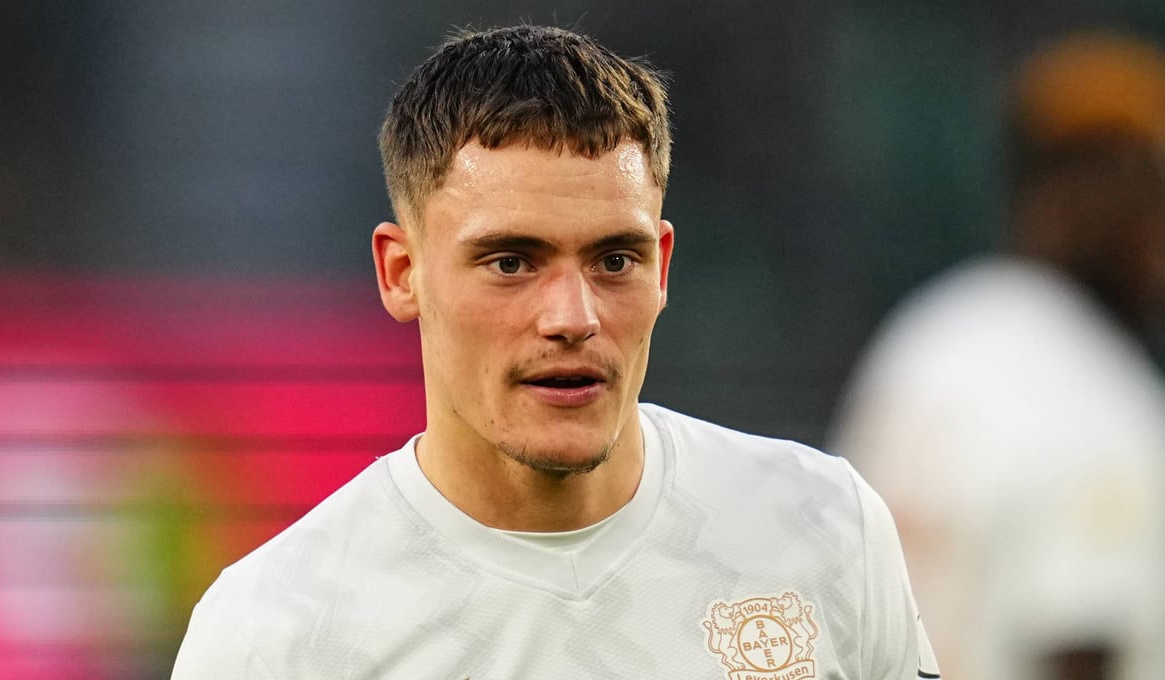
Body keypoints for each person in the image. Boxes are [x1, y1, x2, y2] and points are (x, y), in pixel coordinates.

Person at [172, 24, 938, 678]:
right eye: (511, 262)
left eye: (615, 260)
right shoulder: (273, 632)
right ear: (402, 273)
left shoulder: (823, 524)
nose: (573, 318)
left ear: (662, 269)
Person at [828, 31, 1165, 680]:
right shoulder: (1096, 396)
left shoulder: (929, 339)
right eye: (1148, 189)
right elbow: (1081, 653)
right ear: (1081, 196)